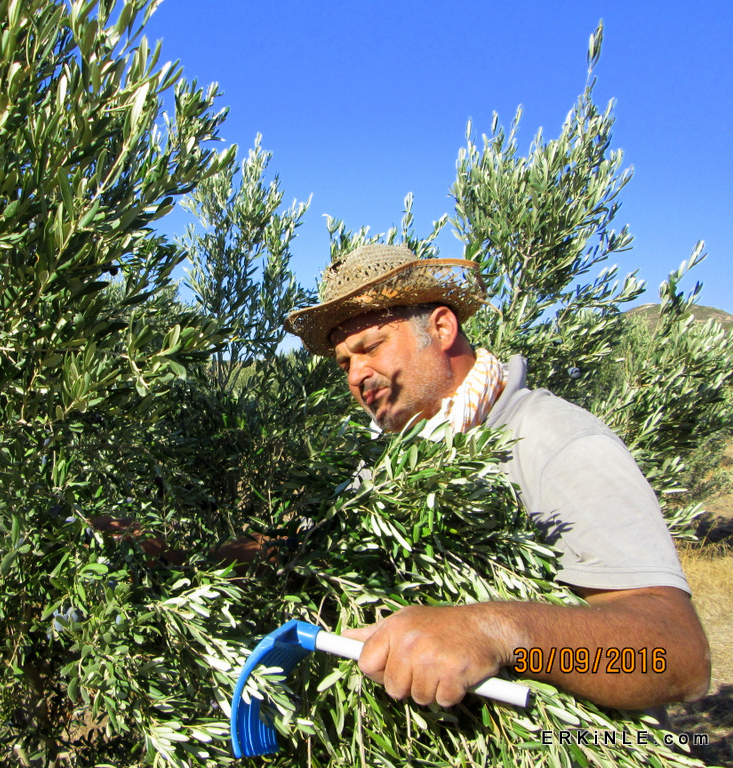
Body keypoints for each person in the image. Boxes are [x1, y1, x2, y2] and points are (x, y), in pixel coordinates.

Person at [283, 243, 710, 712]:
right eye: (344, 363)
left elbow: (677, 659)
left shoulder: (556, 442)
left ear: (442, 328)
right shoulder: (385, 458)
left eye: (371, 347)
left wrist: (496, 631)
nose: (356, 374)